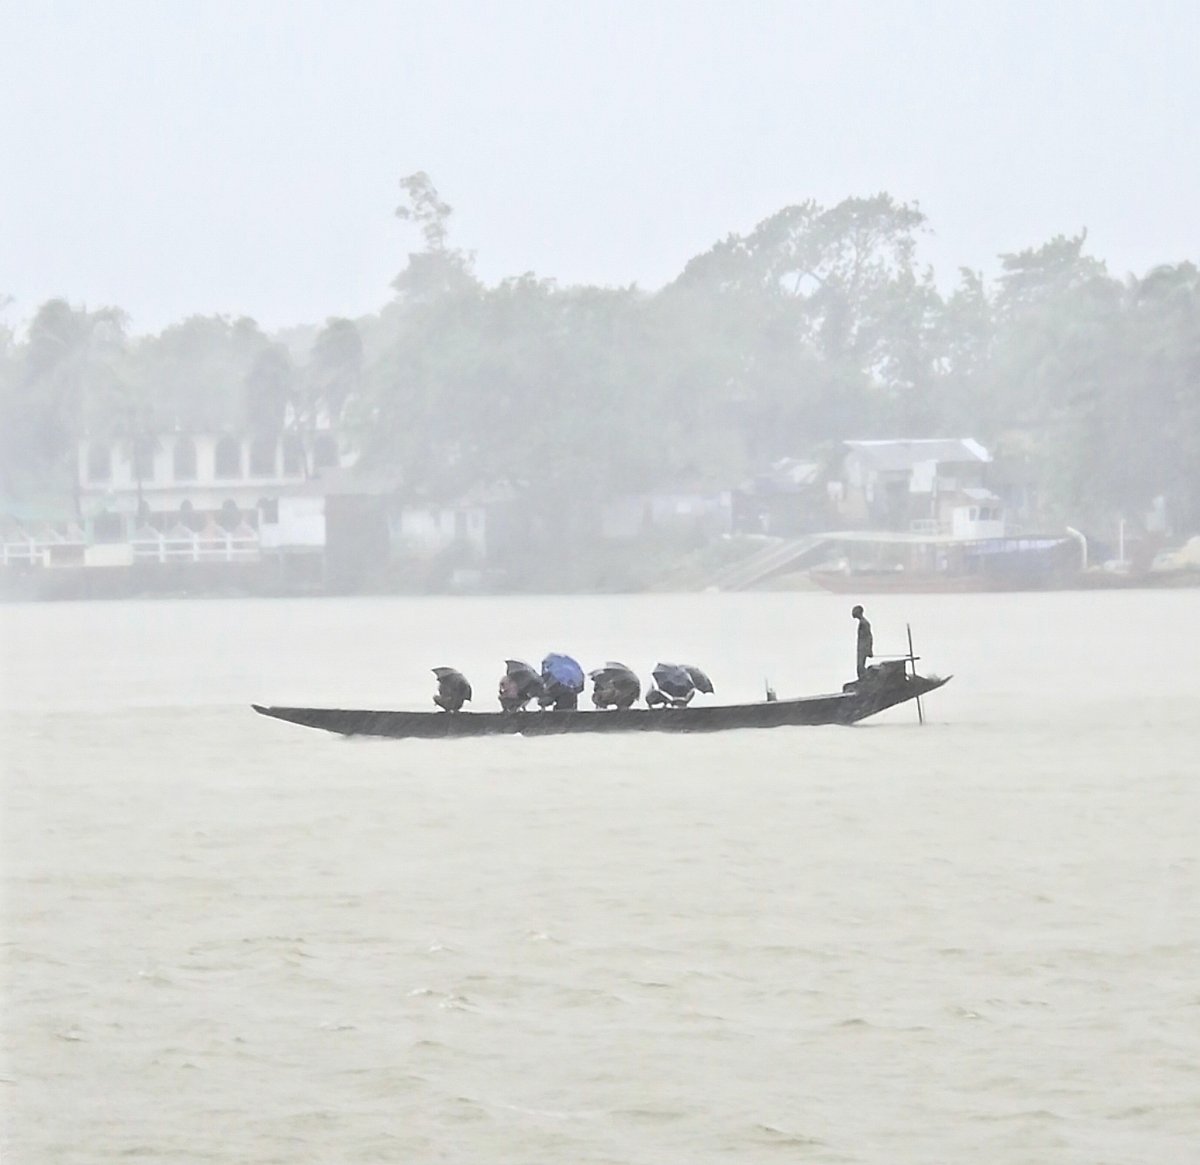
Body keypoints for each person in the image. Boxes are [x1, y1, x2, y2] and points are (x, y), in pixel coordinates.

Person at [852, 605, 873, 679]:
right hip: (861, 647)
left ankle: (864, 680)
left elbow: (869, 636)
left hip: (863, 647)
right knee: (860, 666)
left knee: (860, 666)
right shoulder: (862, 622)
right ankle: (862, 679)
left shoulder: (864, 623)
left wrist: (869, 649)